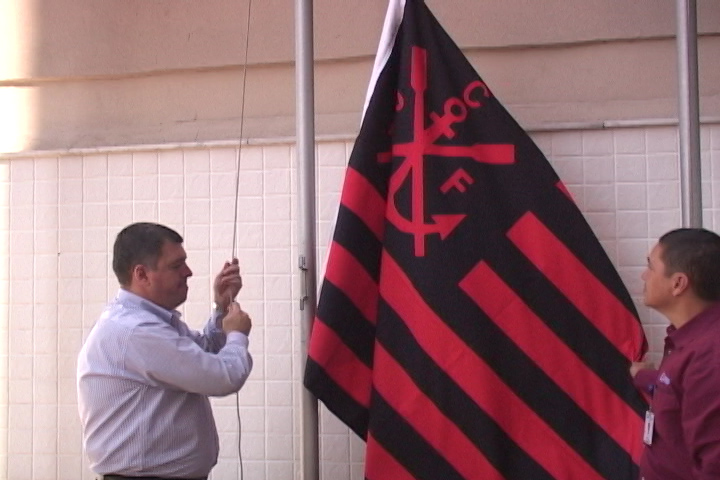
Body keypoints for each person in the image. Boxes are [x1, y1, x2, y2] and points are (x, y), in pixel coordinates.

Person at [77, 222, 253, 480]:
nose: (189, 272)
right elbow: (223, 376)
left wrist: (221, 307)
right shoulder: (137, 330)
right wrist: (236, 335)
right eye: (176, 266)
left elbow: (201, 353)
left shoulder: (145, 321)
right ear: (142, 274)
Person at [631, 228, 720, 479]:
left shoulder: (710, 357)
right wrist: (645, 376)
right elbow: (684, 388)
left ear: (678, 283)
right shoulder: (692, 341)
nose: (643, 276)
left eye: (650, 266)